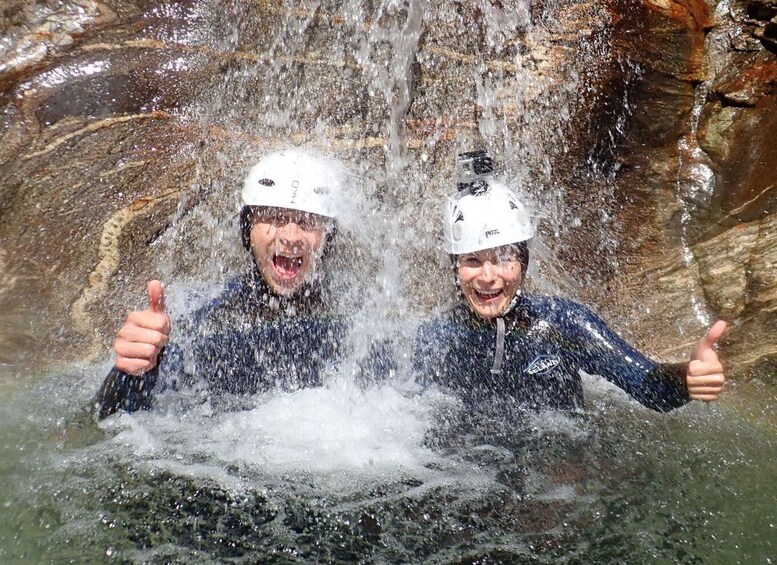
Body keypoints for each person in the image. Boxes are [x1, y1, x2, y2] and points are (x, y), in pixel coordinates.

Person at [413, 151, 727, 412]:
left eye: (503, 259)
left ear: (523, 264)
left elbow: (651, 388)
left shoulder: (564, 324)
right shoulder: (438, 337)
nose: (488, 276)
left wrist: (687, 378)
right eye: (472, 261)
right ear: (456, 269)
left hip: (557, 477)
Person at [95, 148, 358, 418]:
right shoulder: (203, 317)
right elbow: (109, 424)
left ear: (329, 236)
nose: (291, 236)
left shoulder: (358, 322)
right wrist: (130, 372)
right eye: (274, 217)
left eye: (307, 221)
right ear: (247, 230)